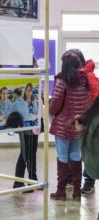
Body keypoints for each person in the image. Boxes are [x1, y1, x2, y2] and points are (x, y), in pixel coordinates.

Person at [49, 51, 90, 201]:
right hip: (78, 125)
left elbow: (55, 105)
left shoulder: (62, 80)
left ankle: (61, 191)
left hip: (63, 125)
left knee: (62, 157)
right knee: (76, 156)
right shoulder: (84, 80)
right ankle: (77, 191)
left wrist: (49, 109)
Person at [68, 48, 99, 194]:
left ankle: (88, 181)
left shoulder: (87, 77)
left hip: (91, 120)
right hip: (87, 118)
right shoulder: (82, 76)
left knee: (89, 149)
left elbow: (94, 98)